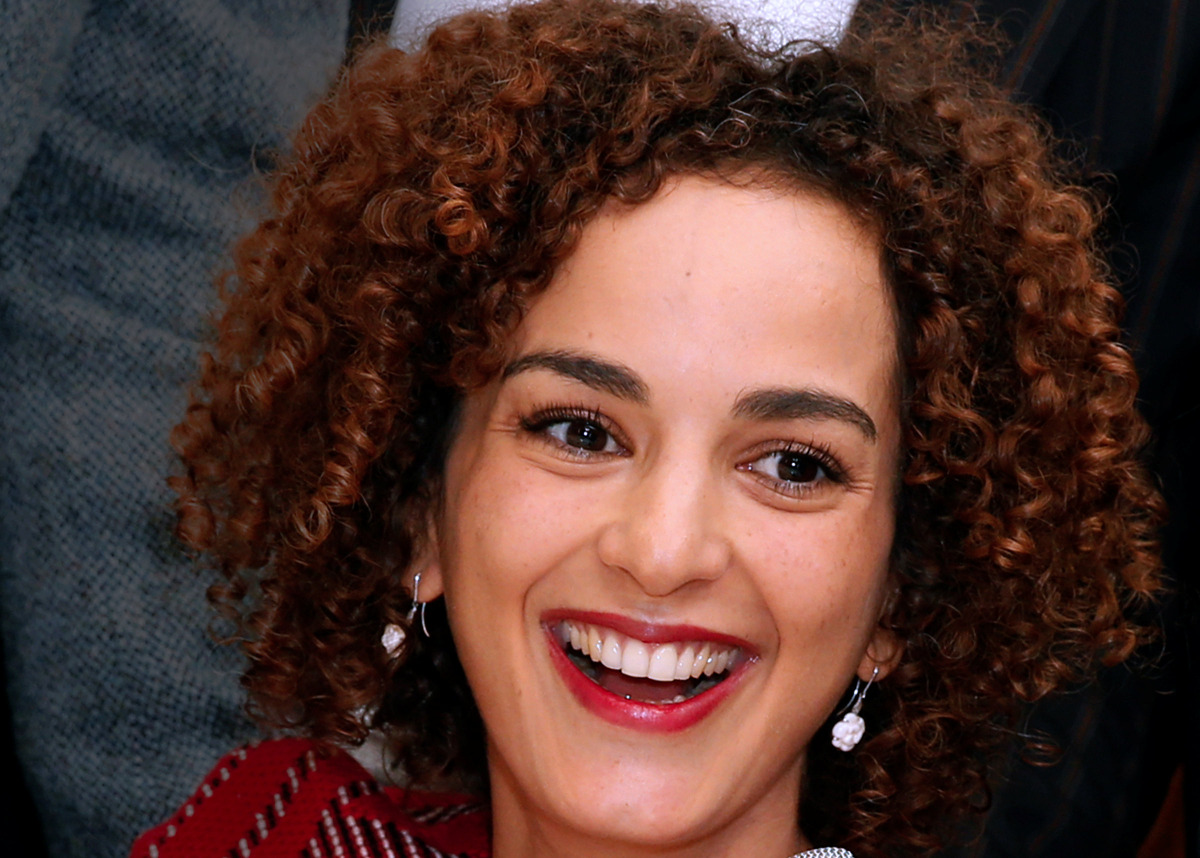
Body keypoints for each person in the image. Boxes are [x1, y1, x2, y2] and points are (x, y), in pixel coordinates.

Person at [132, 1, 1162, 856]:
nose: (663, 552)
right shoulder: (267, 832)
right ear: (418, 508)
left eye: (794, 465)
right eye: (581, 432)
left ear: (901, 594)